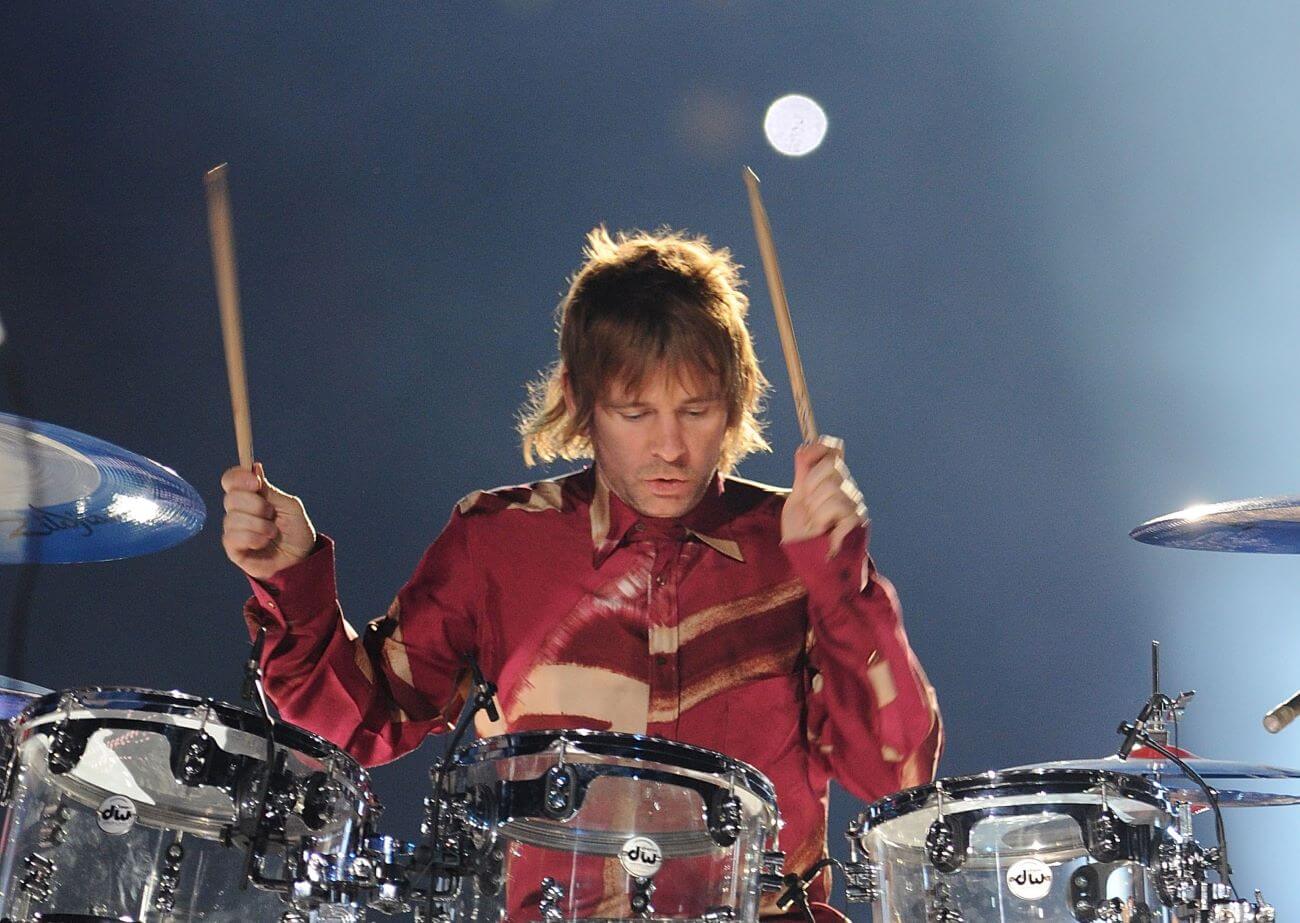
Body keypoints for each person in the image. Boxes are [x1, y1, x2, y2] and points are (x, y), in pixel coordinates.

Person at [221, 227, 942, 920]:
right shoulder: (498, 540)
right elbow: (365, 722)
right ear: (577, 398)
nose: (670, 446)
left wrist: (843, 587)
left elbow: (896, 776)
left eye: (696, 410)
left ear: (736, 400)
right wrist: (292, 579)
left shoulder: (797, 545)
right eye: (635, 412)